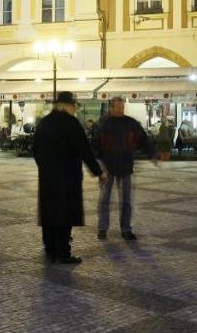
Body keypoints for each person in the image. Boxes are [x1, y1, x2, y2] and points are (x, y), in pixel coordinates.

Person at [33, 91, 106, 265]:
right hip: (67, 177)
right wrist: (98, 171)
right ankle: (63, 253)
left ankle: (50, 249)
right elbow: (84, 150)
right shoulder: (71, 123)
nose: (75, 110)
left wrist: (45, 168)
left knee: (49, 213)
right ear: (67, 106)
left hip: (48, 178)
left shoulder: (44, 123)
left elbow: (35, 150)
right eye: (74, 106)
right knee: (65, 215)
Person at [94, 96, 157, 241]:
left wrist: (151, 154)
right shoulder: (103, 124)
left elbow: (143, 139)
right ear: (111, 108)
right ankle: (102, 228)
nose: (120, 110)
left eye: (122, 107)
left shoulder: (131, 123)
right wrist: (99, 167)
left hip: (126, 167)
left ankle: (126, 229)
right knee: (105, 199)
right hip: (107, 167)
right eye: (118, 107)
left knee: (126, 200)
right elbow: (95, 145)